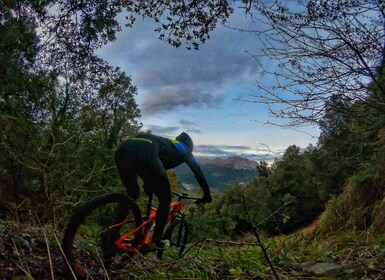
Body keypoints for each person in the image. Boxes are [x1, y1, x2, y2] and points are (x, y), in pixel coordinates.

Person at [115, 132, 212, 250]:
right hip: (147, 150)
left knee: (133, 193)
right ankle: (157, 239)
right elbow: (198, 173)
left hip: (124, 148)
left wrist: (148, 183)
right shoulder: (184, 149)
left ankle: (113, 231)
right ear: (189, 145)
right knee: (166, 198)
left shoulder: (168, 143)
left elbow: (147, 166)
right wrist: (207, 195)